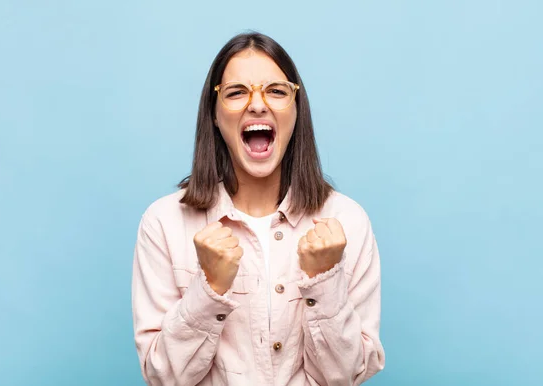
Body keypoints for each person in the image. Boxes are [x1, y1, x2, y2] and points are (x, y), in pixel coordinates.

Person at [132, 32, 385, 386]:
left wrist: (324, 282)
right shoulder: (163, 223)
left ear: (297, 111)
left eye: (277, 91)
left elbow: (344, 377)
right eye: (236, 92)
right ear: (215, 116)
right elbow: (163, 377)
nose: (257, 105)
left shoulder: (348, 221)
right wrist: (210, 289)